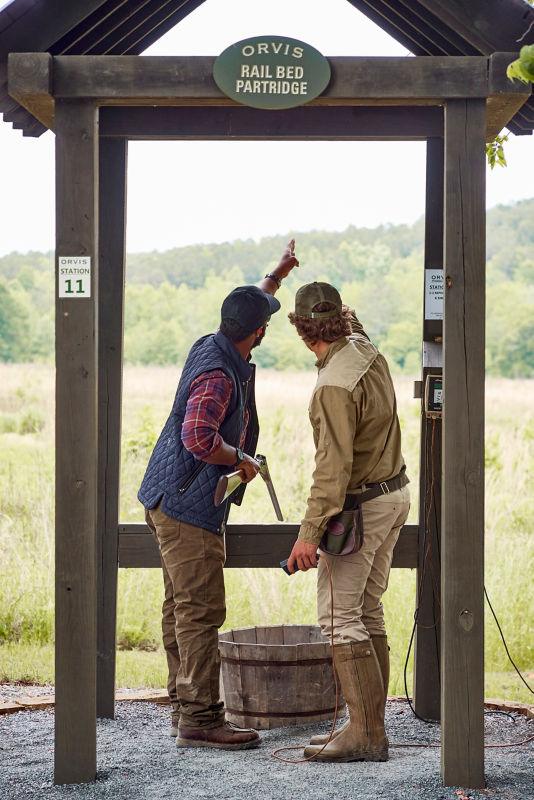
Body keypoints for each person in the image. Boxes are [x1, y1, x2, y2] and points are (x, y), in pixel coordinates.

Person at [138, 241, 299, 751]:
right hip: (188, 509)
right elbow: (200, 439)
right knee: (200, 612)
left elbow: (253, 300)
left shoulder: (214, 342)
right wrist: (243, 460)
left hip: (167, 498)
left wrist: (276, 275)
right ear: (258, 333)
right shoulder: (218, 372)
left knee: (180, 608)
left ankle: (185, 705)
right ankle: (202, 717)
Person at [286, 281, 410, 763]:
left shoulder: (332, 386)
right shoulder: (363, 348)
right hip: (394, 495)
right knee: (368, 611)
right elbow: (350, 323)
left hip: (362, 507)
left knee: (339, 620)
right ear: (339, 319)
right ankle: (369, 727)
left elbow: (331, 472)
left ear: (301, 330)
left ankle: (365, 733)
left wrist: (308, 536)